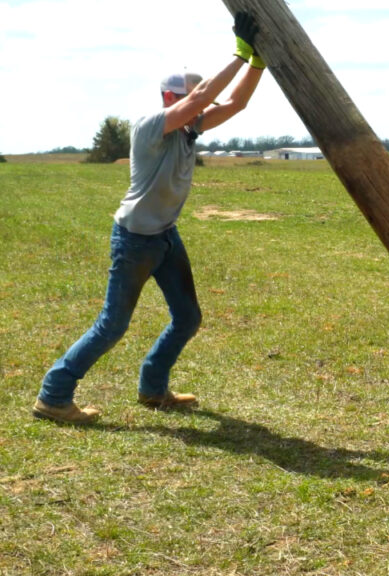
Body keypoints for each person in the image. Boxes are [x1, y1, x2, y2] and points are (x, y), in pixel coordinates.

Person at [33, 12, 267, 424]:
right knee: (112, 327)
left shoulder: (189, 129)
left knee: (188, 317)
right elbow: (201, 100)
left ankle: (153, 388)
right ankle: (53, 396)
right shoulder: (150, 127)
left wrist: (257, 64)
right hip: (135, 239)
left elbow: (235, 103)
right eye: (195, 99)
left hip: (164, 238)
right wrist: (238, 54)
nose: (202, 107)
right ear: (169, 99)